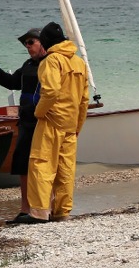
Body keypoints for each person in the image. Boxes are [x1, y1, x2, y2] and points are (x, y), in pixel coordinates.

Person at [19, 21, 89, 224]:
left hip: (51, 120)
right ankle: (61, 212)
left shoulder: (51, 60)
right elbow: (84, 99)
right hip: (70, 123)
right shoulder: (78, 62)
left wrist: (39, 113)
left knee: (41, 165)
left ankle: (39, 212)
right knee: (65, 170)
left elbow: (50, 91)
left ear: (47, 42)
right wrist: (78, 126)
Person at [0, 27, 47, 224]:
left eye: (31, 42)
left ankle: (44, 208)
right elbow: (13, 83)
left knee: (41, 165)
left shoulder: (51, 64)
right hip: (25, 121)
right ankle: (25, 209)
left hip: (43, 122)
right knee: (21, 164)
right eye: (25, 43)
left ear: (43, 43)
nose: (27, 47)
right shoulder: (27, 65)